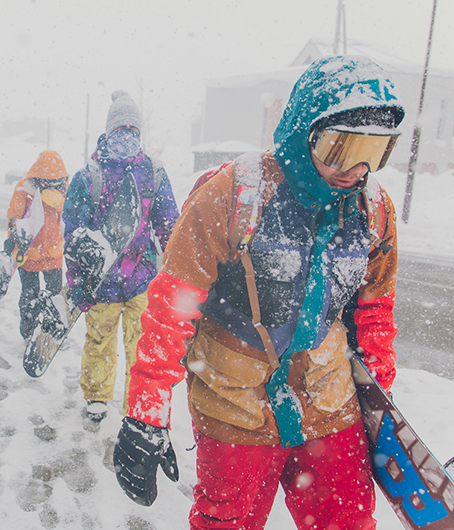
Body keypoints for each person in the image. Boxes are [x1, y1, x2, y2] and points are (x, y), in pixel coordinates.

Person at [112, 56, 403, 529]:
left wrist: (379, 401)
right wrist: (147, 411)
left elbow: (374, 312)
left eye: (375, 150)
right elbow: (172, 306)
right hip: (234, 403)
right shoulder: (235, 194)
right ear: (302, 133)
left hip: (328, 401)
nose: (356, 169)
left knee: (347, 522)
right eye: (339, 148)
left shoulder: (374, 211)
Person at [63, 91, 179, 423]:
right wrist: (77, 283)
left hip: (142, 280)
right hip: (100, 284)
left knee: (140, 348)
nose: (127, 135)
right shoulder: (90, 176)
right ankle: (97, 397)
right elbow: (72, 234)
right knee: (99, 342)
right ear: (110, 131)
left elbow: (169, 222)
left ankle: (136, 403)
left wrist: (176, 269)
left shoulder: (153, 173)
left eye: (133, 129)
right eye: (121, 129)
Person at [5, 150, 68, 340]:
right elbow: (13, 218)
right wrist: (12, 238)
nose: (52, 185)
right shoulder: (24, 190)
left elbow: (71, 219)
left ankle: (54, 332)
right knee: (29, 297)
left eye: (57, 181)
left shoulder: (65, 192)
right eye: (47, 181)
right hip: (28, 253)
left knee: (55, 298)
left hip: (54, 255)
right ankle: (28, 332)